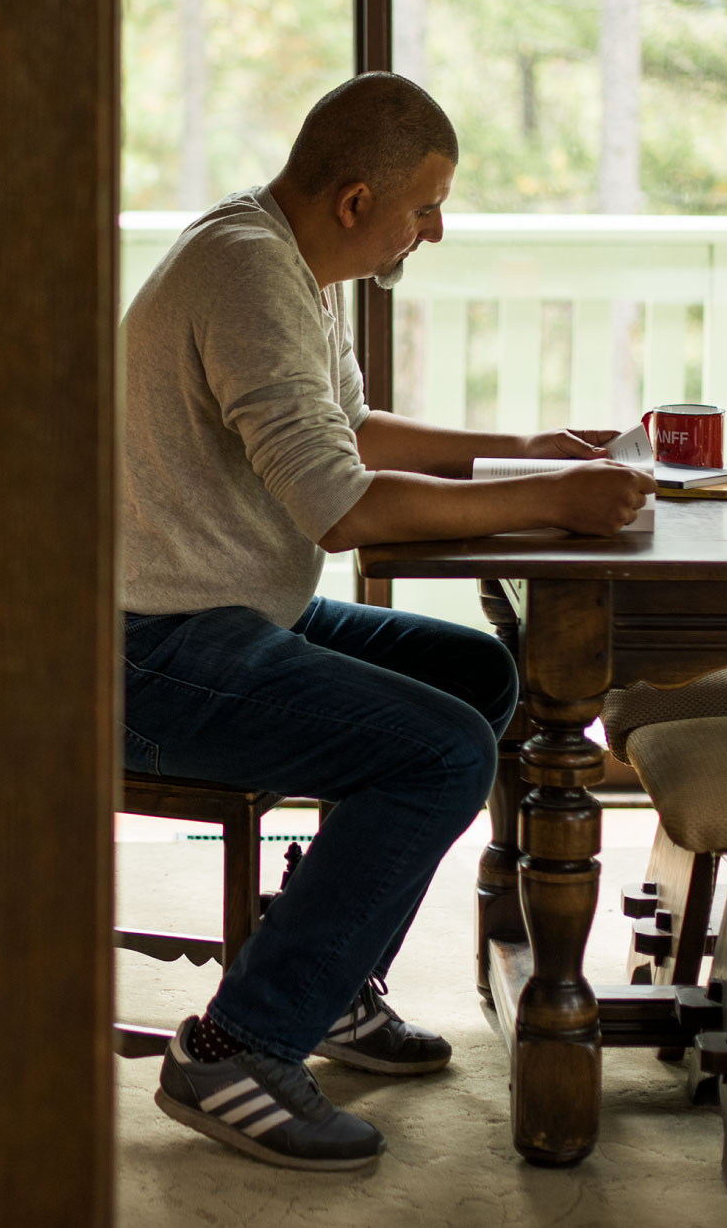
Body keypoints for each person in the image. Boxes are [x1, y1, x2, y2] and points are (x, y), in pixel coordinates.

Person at [124, 72, 652, 1171]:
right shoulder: (245, 272)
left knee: (478, 681)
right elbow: (344, 503)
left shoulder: (287, 261)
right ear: (358, 202)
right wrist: (550, 501)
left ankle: (334, 981)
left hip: (223, 615)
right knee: (442, 752)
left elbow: (350, 428)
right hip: (145, 654)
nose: (438, 230)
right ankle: (240, 1044)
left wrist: (520, 453)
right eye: (426, 207)